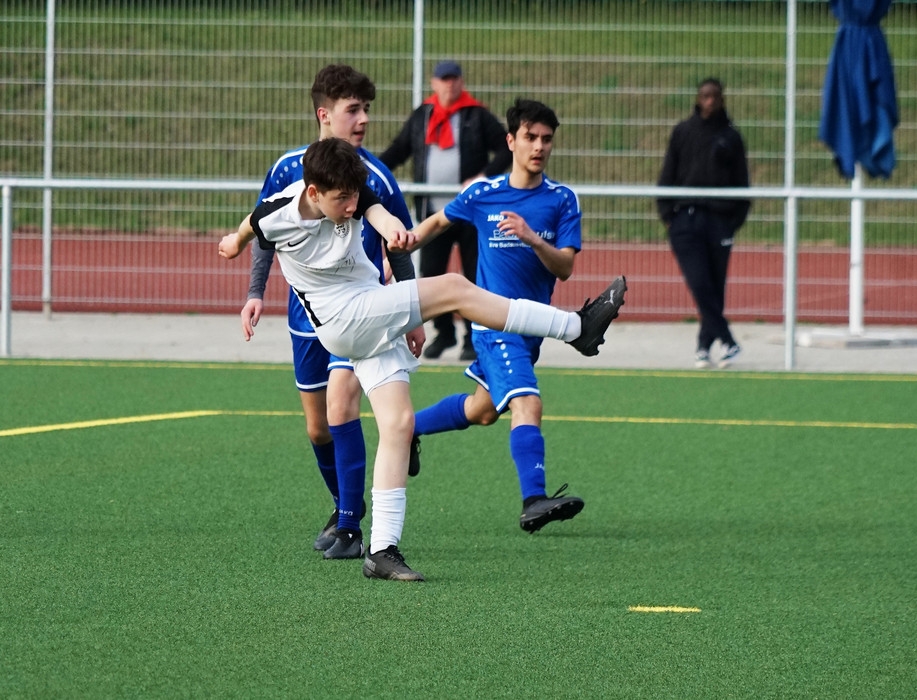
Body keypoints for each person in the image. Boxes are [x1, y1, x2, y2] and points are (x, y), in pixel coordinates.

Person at [219, 137, 627, 580]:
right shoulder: (279, 212)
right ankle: (576, 328)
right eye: (341, 199)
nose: (352, 206)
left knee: (398, 424)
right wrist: (233, 243)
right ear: (313, 192)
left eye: (355, 195)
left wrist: (394, 230)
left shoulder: (353, 193)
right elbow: (250, 225)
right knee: (454, 287)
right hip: (341, 319)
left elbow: (378, 213)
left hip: (369, 308)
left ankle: (382, 551)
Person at [240, 64, 425, 563]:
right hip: (306, 315)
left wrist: (412, 314)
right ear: (325, 115)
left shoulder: (375, 176)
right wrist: (255, 292)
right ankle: (346, 504)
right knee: (318, 427)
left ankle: (350, 526)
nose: (364, 119)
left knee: (342, 405)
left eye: (367, 109)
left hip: (360, 312)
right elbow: (263, 228)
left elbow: (398, 245)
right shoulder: (288, 168)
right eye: (353, 110)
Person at [407, 98, 608, 534]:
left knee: (481, 409)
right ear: (511, 141)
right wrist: (402, 246)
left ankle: (406, 428)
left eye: (546, 139)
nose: (539, 146)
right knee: (527, 402)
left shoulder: (561, 199)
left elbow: (564, 268)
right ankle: (534, 499)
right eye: (530, 137)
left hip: (532, 329)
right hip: (493, 325)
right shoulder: (483, 194)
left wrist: (533, 238)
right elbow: (438, 222)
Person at [380, 60, 512, 362]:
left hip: (469, 212)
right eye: (443, 79)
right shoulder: (423, 115)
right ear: (434, 83)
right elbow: (399, 150)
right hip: (432, 212)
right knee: (431, 274)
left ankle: (473, 337)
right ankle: (443, 332)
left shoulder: (476, 115)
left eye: (454, 79)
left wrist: (483, 177)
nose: (449, 84)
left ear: (461, 82)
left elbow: (505, 148)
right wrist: (369, 169)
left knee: (474, 275)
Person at [656, 77, 750, 369]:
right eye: (705, 96)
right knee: (699, 284)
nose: (710, 101)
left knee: (715, 287)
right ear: (698, 98)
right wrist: (668, 215)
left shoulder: (731, 137)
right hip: (685, 222)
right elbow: (668, 174)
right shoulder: (683, 132)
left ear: (722, 99)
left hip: (719, 221)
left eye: (715, 96)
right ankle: (729, 341)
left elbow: (742, 183)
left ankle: (704, 347)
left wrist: (733, 221)